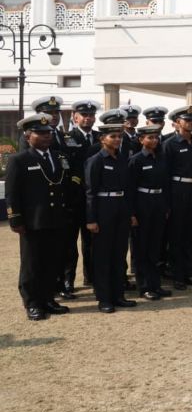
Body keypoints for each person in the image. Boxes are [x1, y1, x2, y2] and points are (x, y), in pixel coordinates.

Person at [5, 113, 75, 321]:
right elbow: (12, 193)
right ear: (28, 136)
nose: (46, 136)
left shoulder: (59, 156)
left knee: (52, 262)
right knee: (32, 264)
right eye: (41, 133)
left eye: (48, 133)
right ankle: (32, 303)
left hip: (56, 219)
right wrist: (15, 218)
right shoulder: (19, 160)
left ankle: (48, 299)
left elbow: (65, 186)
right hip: (33, 221)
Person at [85, 122, 136, 313]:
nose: (117, 140)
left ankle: (118, 295)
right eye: (112, 136)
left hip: (121, 208)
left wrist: (130, 213)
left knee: (119, 254)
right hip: (103, 209)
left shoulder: (122, 159)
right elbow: (90, 192)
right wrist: (91, 219)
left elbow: (128, 189)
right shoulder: (96, 160)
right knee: (103, 256)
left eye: (119, 136)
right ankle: (104, 298)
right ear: (102, 139)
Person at [163, 106, 192, 291]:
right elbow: (165, 175)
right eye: (186, 120)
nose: (190, 123)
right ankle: (177, 275)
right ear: (177, 122)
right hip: (177, 191)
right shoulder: (170, 144)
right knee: (176, 236)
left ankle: (189, 273)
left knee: (189, 235)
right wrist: (167, 202)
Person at [127, 124, 172, 301]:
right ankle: (144, 286)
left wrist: (166, 206)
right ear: (141, 140)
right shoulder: (136, 160)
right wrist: (132, 213)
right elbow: (130, 189)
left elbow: (166, 184)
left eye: (156, 137)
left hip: (158, 203)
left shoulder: (161, 158)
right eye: (150, 137)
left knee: (155, 247)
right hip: (142, 204)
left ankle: (155, 284)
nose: (154, 140)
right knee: (141, 247)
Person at [68, 99, 101, 288]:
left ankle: (92, 276)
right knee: (70, 243)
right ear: (75, 117)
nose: (88, 118)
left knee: (92, 242)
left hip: (94, 199)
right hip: (74, 199)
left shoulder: (100, 137)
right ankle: (68, 281)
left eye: (91, 115)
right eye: (84, 115)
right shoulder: (67, 138)